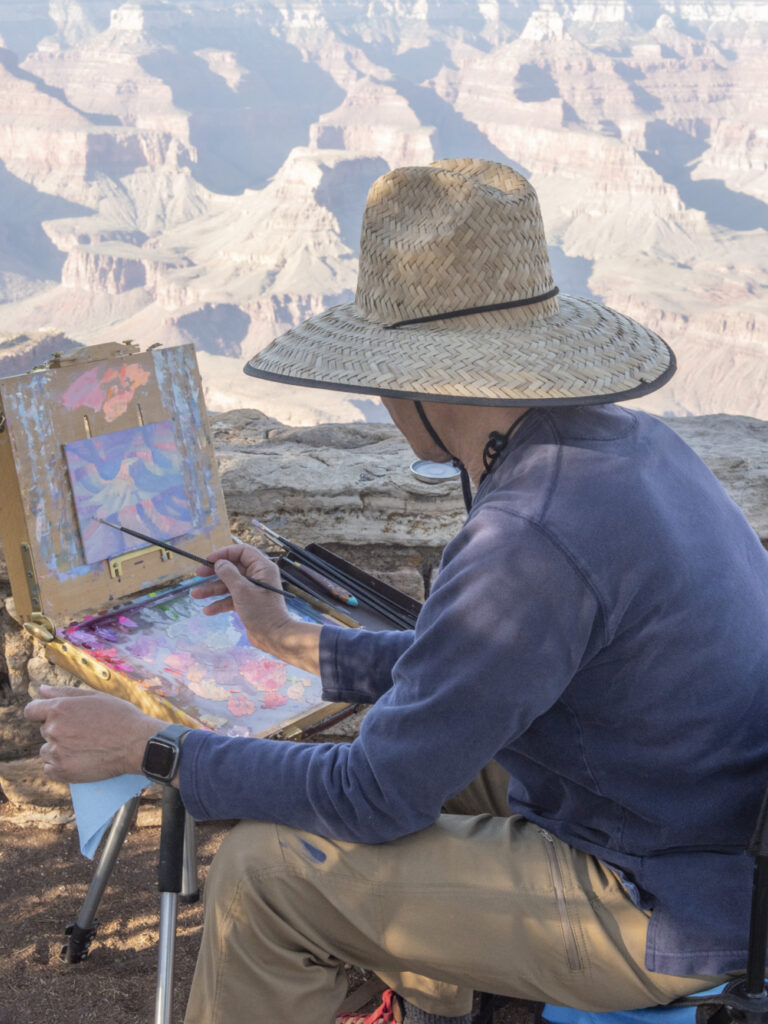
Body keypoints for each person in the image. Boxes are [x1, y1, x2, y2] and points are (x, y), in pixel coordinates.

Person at [25, 159, 768, 1024]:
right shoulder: (625, 446)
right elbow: (471, 669)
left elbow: (371, 797)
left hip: (663, 902)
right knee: (408, 745)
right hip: (692, 829)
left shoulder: (528, 533)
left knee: (265, 873)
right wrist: (285, 636)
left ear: (417, 380)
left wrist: (153, 748)